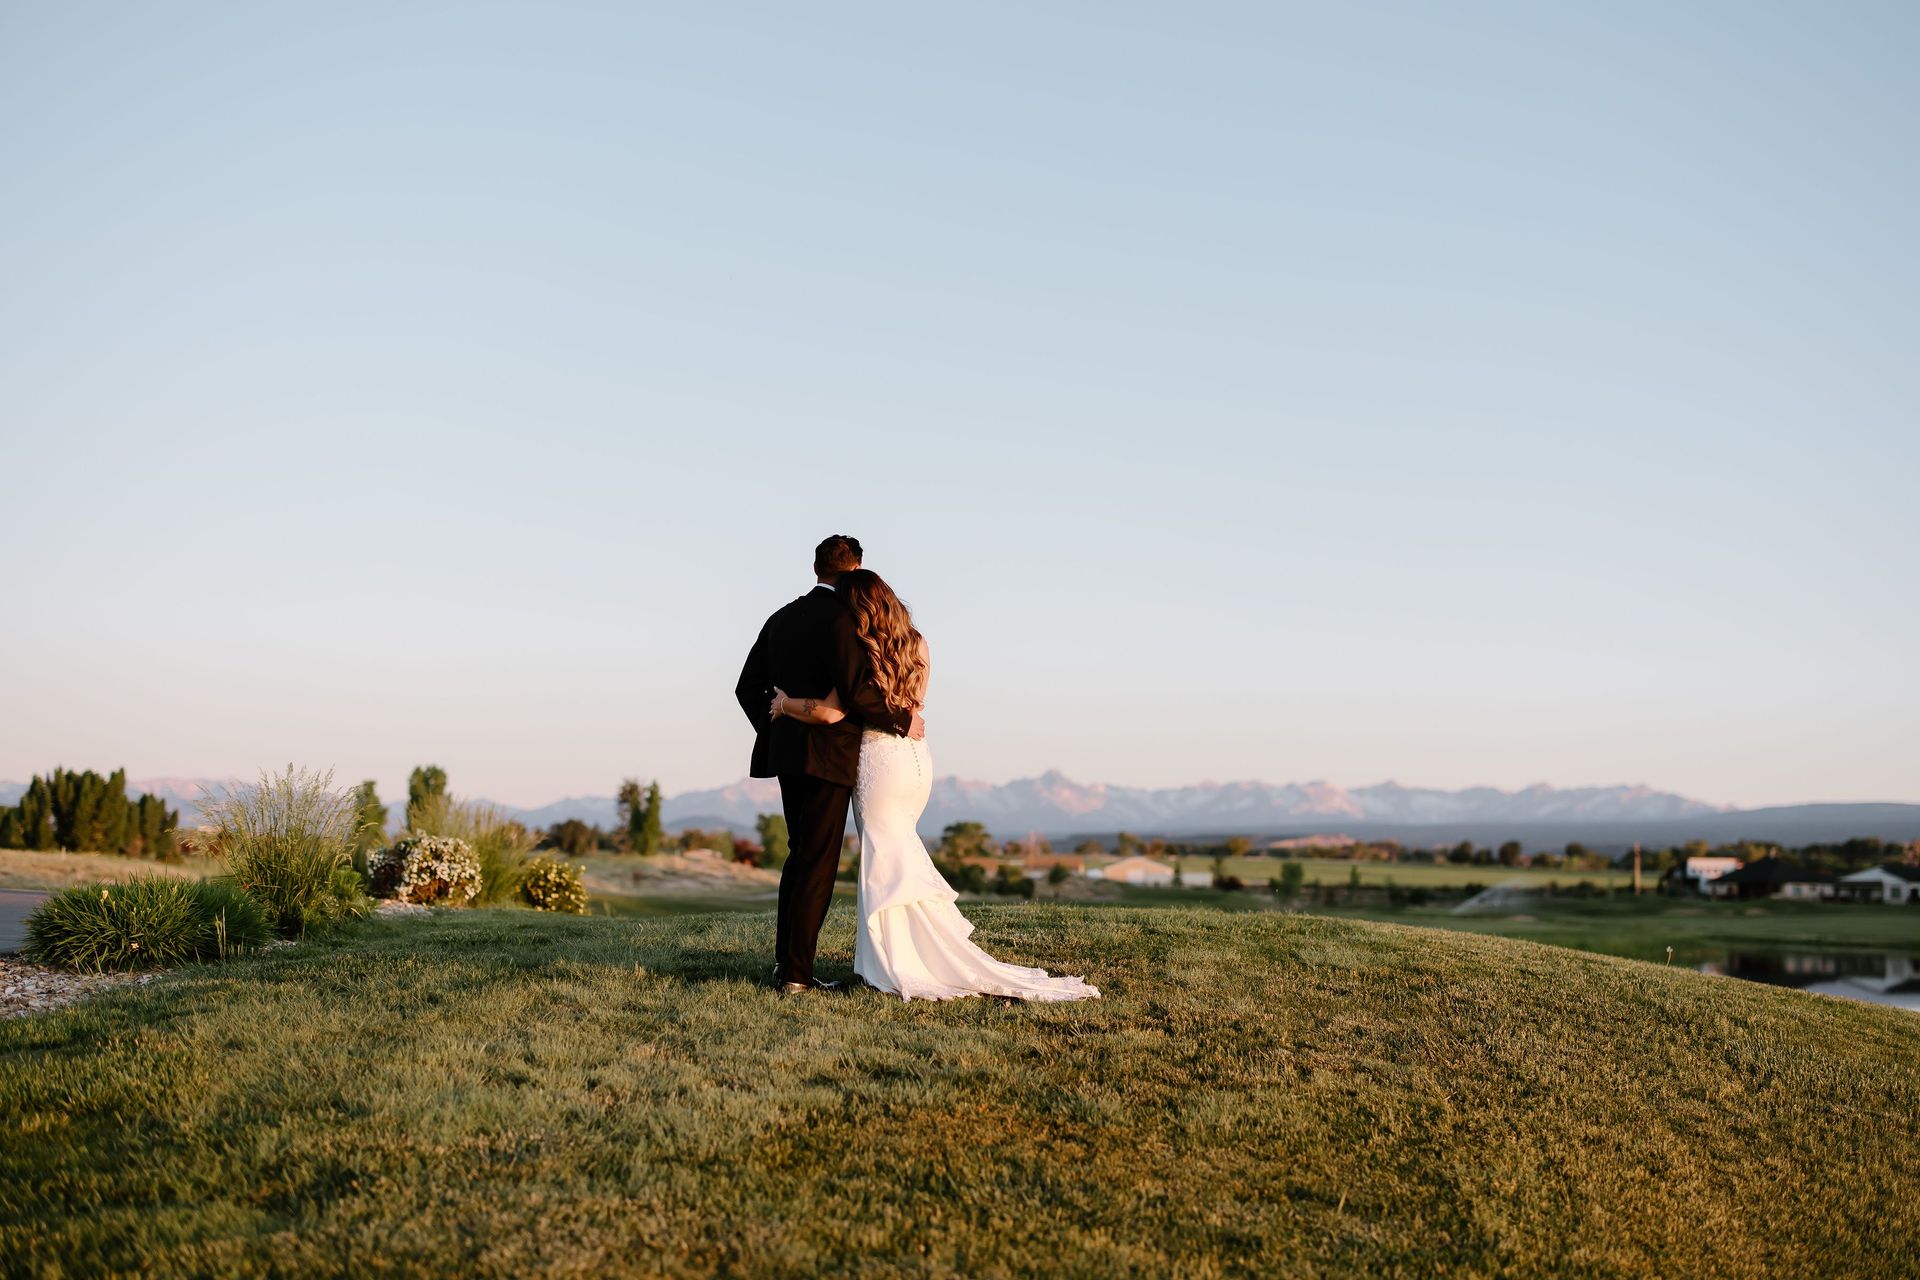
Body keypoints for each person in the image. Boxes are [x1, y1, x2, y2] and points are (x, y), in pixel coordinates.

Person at [767, 569, 1098, 1002]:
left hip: (879, 762)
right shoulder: (916, 643)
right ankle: (915, 950)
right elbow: (915, 705)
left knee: (886, 859)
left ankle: (903, 959)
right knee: (900, 851)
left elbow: (830, 713)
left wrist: (784, 704)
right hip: (915, 760)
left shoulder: (864, 651)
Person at [735, 535, 922, 993]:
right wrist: (903, 719)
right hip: (829, 756)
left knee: (799, 858)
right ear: (855, 569)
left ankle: (787, 966)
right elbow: (857, 691)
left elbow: (745, 687)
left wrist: (778, 722)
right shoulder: (843, 620)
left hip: (787, 755)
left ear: (816, 568)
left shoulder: (780, 618)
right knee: (816, 865)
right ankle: (797, 976)